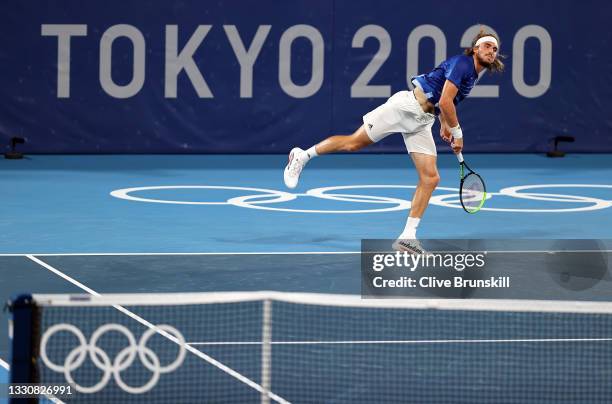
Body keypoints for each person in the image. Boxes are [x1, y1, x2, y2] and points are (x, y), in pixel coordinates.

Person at [283, 30, 504, 253]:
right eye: (487, 46)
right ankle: (302, 156)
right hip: (404, 108)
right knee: (354, 143)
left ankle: (407, 237)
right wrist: (458, 134)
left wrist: (445, 124)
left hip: (422, 121)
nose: (491, 51)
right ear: (475, 48)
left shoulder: (473, 76)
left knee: (430, 178)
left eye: (495, 49)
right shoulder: (463, 63)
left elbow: (444, 103)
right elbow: (446, 101)